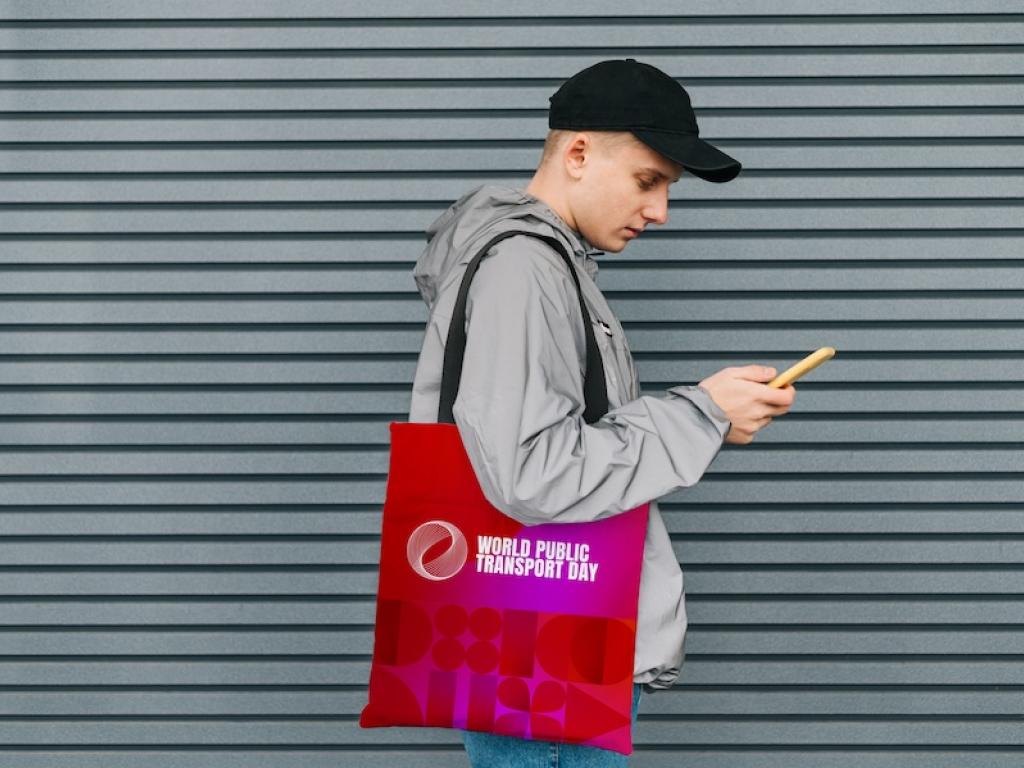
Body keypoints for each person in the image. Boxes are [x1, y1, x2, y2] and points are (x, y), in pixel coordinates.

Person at [407, 58, 797, 767]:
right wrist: (701, 414)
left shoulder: (546, 264)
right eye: (650, 182)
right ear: (579, 153)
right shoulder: (524, 269)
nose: (660, 212)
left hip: (533, 640)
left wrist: (708, 416)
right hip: (549, 654)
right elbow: (534, 474)